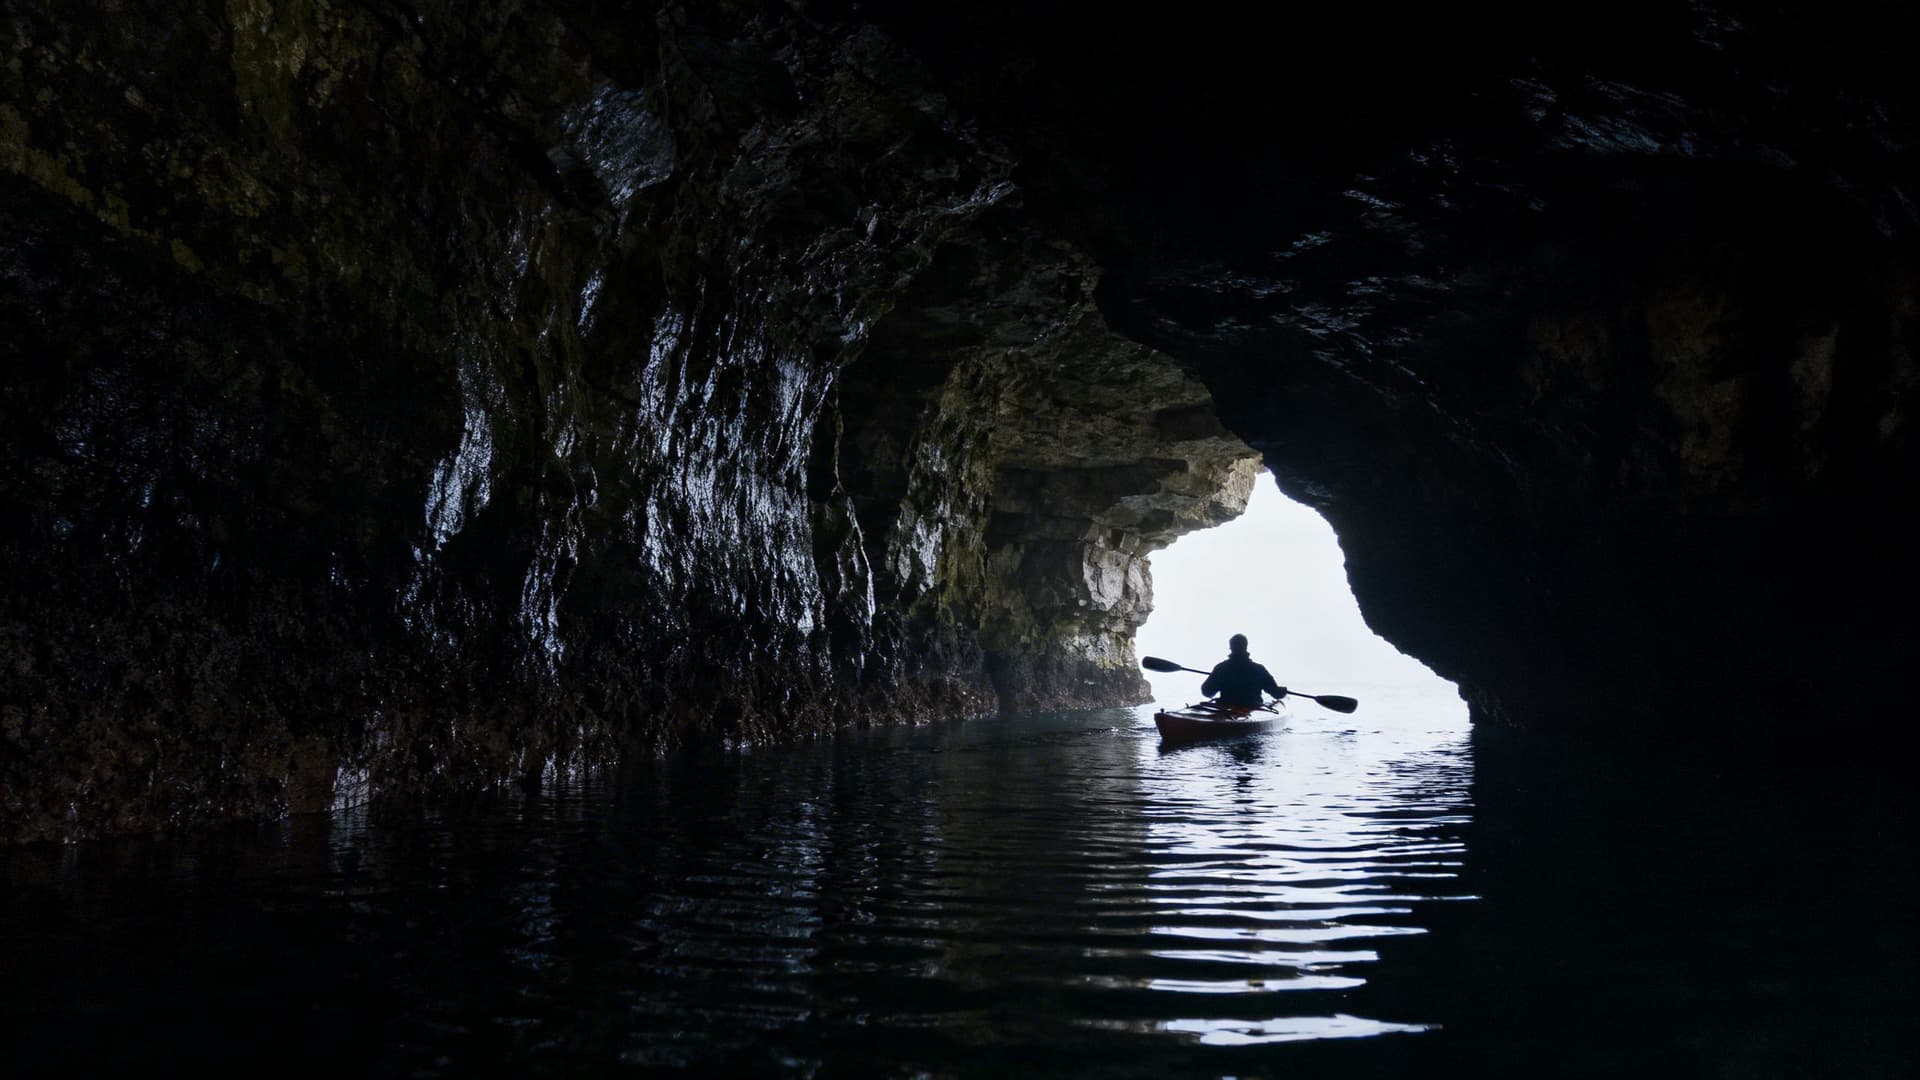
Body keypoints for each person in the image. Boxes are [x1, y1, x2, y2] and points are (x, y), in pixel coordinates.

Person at [1200, 633, 1287, 708]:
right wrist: (1283, 691)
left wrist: (1216, 678)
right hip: (1252, 707)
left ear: (1230, 647)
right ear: (1245, 647)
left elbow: (1207, 692)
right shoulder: (1258, 670)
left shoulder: (1221, 668)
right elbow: (1276, 693)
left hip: (1226, 708)